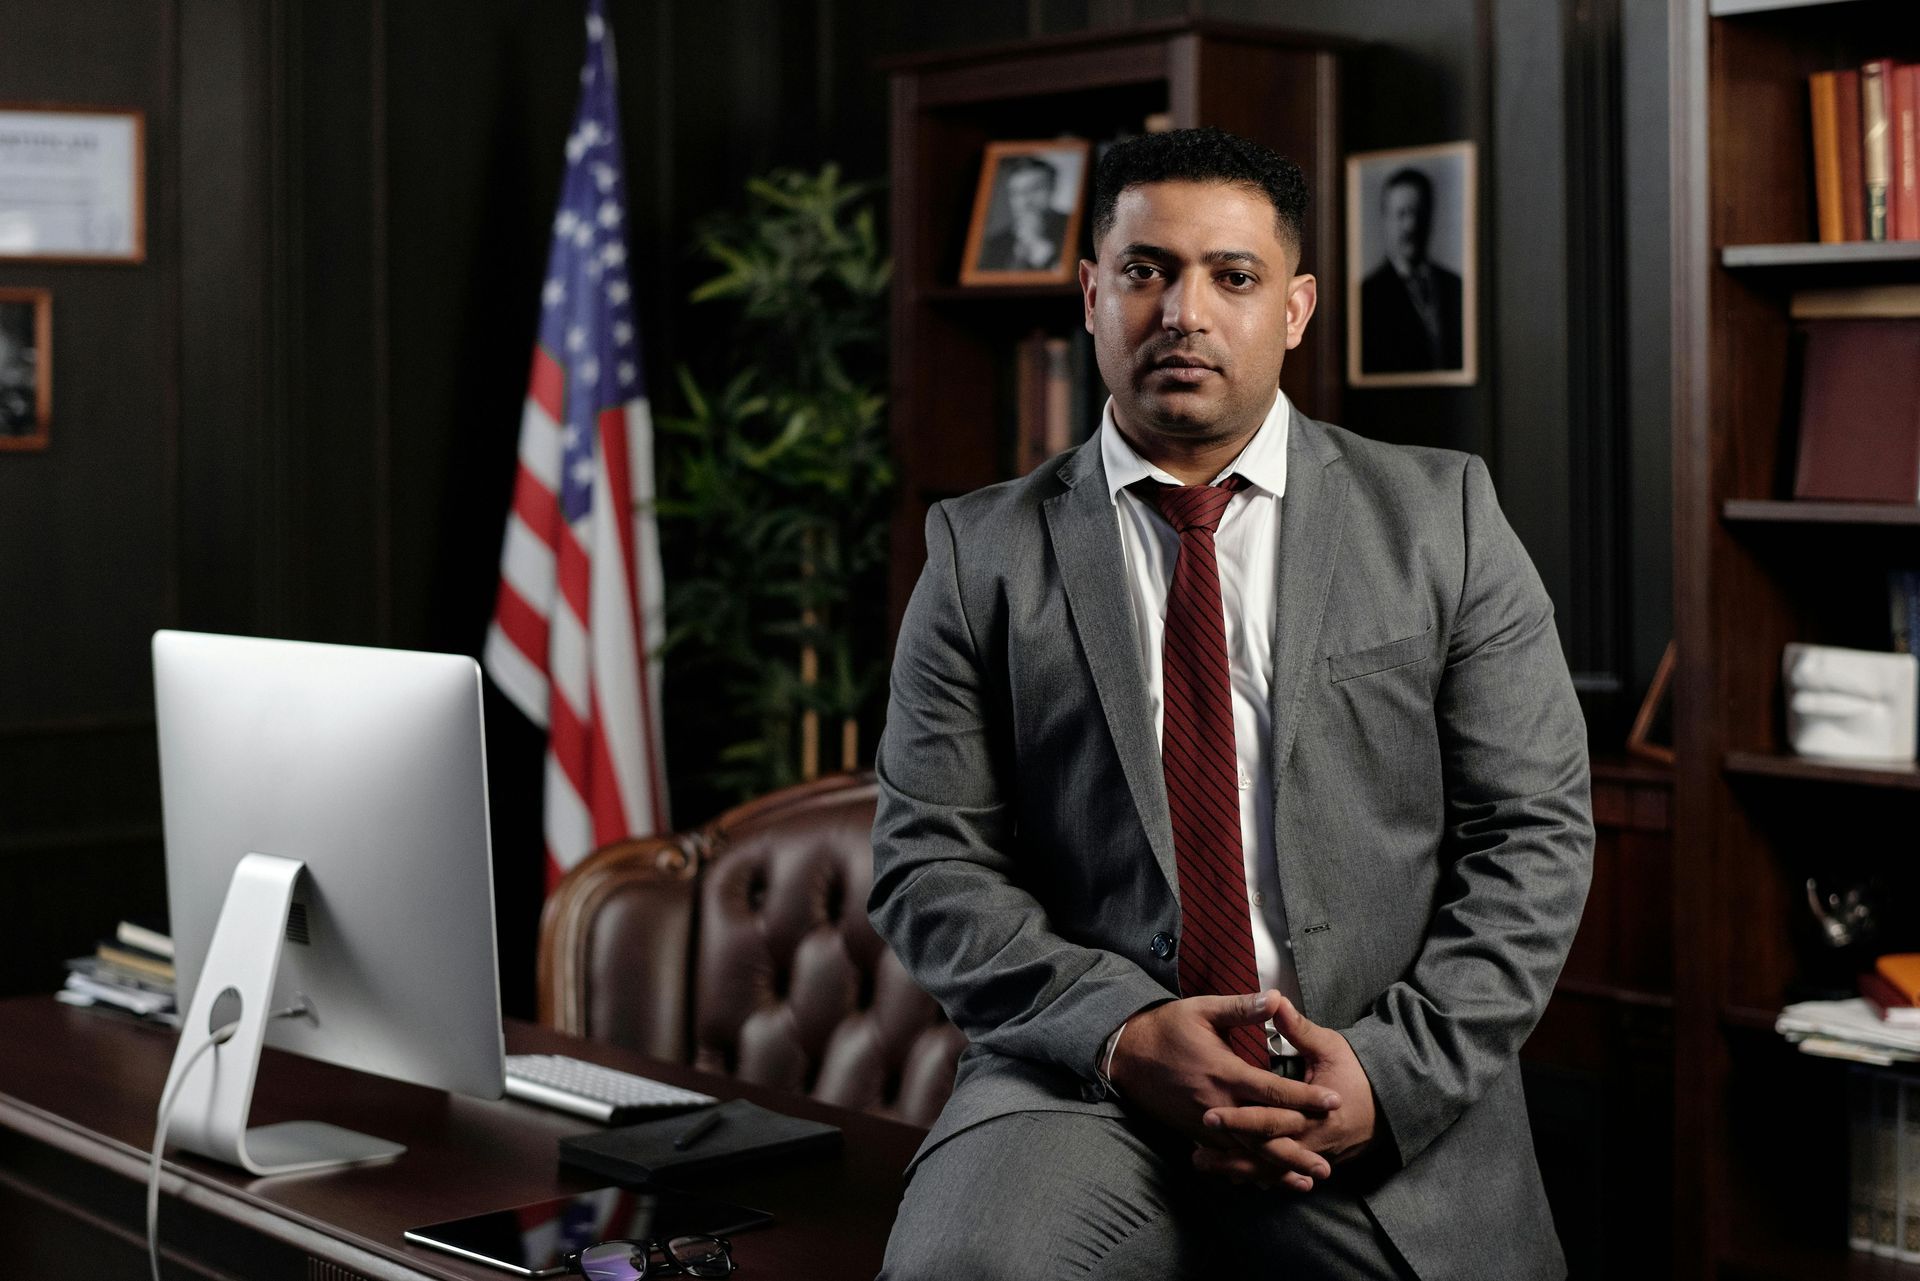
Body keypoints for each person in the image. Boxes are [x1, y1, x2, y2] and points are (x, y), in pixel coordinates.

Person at [870, 126, 1591, 1280]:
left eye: (1233, 276)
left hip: (1368, 1079)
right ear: (1092, 293)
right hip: (1083, 1084)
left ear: (1296, 308)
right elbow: (926, 863)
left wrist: (1389, 1072)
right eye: (1147, 271)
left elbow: (1536, 838)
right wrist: (1122, 1033)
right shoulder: (980, 554)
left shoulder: (1444, 519)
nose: (1184, 313)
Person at [1359, 167, 1465, 374]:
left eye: (1418, 213)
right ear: (1386, 219)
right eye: (1401, 214)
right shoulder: (1367, 295)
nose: (1411, 225)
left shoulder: (1455, 286)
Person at [976, 155, 1072, 273]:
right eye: (1017, 193)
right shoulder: (996, 242)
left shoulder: (1073, 228)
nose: (1025, 201)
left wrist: (1037, 245)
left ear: (1053, 188)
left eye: (1035, 189)